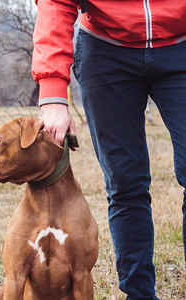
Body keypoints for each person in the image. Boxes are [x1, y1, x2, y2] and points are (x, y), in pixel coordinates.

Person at [32, 0, 186, 299]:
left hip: (181, 43)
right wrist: (53, 94)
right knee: (125, 182)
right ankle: (139, 294)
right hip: (106, 52)